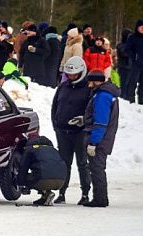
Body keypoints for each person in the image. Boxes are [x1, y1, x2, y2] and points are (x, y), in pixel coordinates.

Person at [50, 57, 92, 205]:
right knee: (64, 163)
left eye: (74, 75)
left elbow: (91, 110)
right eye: (69, 75)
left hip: (80, 132)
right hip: (63, 131)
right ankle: (62, 192)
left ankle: (85, 193)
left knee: (82, 163)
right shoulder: (63, 86)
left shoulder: (88, 88)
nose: (71, 77)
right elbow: (55, 105)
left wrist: (83, 120)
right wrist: (56, 124)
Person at [83, 70, 120, 208]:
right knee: (97, 168)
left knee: (97, 168)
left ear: (96, 81)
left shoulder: (102, 96)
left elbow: (101, 122)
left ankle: (100, 199)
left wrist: (93, 142)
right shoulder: (105, 94)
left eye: (90, 81)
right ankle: (99, 197)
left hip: (100, 140)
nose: (88, 84)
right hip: (104, 137)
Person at [18, 136, 68, 206]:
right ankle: (45, 197)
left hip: (43, 180)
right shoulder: (53, 150)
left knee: (32, 176)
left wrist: (20, 184)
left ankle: (47, 193)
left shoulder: (29, 149)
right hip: (61, 181)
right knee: (43, 172)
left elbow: (23, 168)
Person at [123, 20, 143, 105]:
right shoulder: (132, 37)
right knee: (133, 82)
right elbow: (127, 50)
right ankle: (131, 101)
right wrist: (134, 56)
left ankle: (142, 103)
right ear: (137, 28)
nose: (142, 29)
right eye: (141, 27)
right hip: (136, 64)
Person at [115, 29, 132, 99]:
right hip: (123, 67)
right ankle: (122, 97)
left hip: (131, 67)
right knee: (123, 83)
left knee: (130, 84)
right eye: (129, 35)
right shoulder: (120, 45)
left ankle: (128, 97)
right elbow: (125, 53)